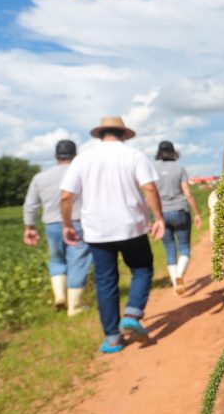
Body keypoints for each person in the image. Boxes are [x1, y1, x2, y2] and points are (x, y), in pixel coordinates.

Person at [60, 116, 166, 354]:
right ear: (124, 134)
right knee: (142, 269)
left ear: (100, 135)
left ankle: (112, 339)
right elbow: (149, 187)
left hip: (97, 231)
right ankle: (132, 314)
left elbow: (66, 196)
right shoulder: (134, 156)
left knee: (105, 281)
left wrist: (67, 224)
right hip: (132, 227)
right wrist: (158, 217)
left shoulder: (83, 159)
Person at [23, 139, 91, 316]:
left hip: (51, 225)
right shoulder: (83, 173)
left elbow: (30, 205)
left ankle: (60, 296)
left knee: (57, 260)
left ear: (55, 156)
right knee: (78, 262)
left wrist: (29, 227)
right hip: (77, 223)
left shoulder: (40, 177)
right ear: (76, 155)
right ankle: (75, 307)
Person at [154, 140, 202, 294]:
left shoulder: (153, 169)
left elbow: (150, 193)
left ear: (159, 152)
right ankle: (180, 274)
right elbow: (187, 193)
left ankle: (176, 285)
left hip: (162, 214)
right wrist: (197, 213)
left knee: (169, 249)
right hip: (180, 211)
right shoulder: (179, 168)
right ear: (173, 152)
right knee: (184, 247)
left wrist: (153, 217)